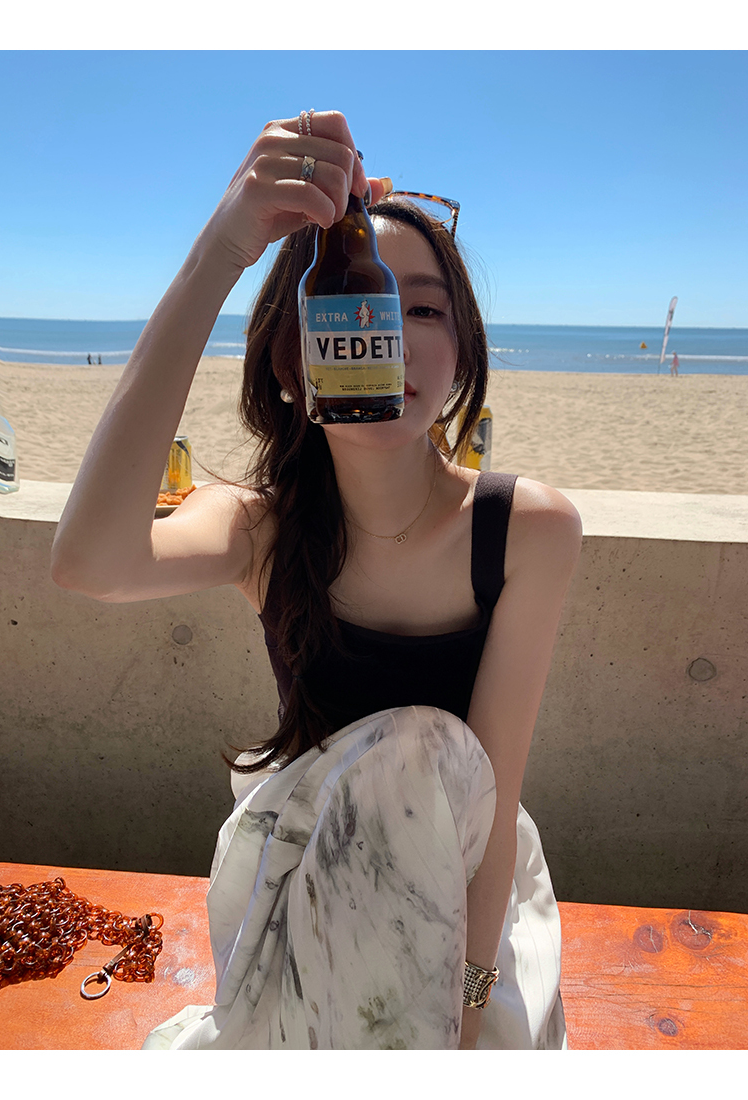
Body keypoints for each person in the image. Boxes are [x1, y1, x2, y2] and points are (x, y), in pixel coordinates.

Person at [50, 110, 582, 1050]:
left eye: (423, 310)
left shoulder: (526, 530)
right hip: (300, 861)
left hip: (464, 886)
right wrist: (222, 251)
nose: (383, 332)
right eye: (348, 302)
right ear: (290, 363)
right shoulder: (261, 527)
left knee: (429, 752)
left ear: (461, 354)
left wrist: (468, 1004)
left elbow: (495, 796)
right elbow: (90, 562)